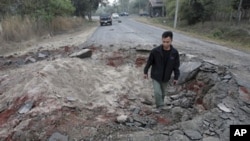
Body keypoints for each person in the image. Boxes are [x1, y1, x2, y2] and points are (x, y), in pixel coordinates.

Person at [143, 31, 180, 112]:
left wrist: (176, 77)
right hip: (156, 75)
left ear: (171, 41)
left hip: (166, 77)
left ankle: (160, 106)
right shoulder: (155, 51)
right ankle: (160, 106)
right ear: (161, 40)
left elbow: (176, 66)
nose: (165, 44)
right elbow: (149, 62)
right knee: (157, 92)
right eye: (164, 42)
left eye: (167, 42)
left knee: (163, 93)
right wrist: (145, 72)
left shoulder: (174, 53)